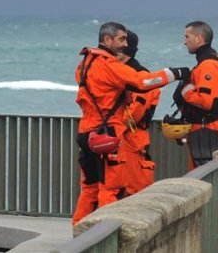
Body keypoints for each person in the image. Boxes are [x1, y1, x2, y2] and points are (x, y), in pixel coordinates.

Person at [73, 21, 188, 225]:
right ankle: (104, 234)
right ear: (107, 40)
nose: (125, 44)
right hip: (107, 136)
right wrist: (174, 73)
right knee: (111, 189)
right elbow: (143, 83)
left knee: (90, 187)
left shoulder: (85, 63)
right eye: (121, 39)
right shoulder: (110, 66)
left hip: (86, 133)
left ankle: (79, 232)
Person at [173, 21, 218, 170]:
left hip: (207, 130)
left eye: (187, 37)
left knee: (204, 177)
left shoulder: (208, 64)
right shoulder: (211, 59)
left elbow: (206, 102)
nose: (184, 42)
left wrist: (185, 91)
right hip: (204, 128)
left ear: (199, 39)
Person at [116, 30, 160, 196]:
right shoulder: (121, 74)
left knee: (134, 188)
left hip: (132, 139)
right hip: (121, 137)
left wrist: (113, 127)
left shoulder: (142, 76)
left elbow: (135, 114)